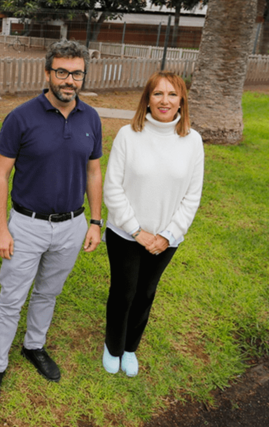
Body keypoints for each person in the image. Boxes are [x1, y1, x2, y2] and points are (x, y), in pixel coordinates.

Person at [0, 40, 103, 411]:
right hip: (27, 225)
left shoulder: (91, 118)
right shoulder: (21, 118)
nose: (69, 80)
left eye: (76, 73)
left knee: (48, 293)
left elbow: (94, 172)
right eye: (61, 72)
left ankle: (34, 346)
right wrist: (2, 228)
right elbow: (1, 176)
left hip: (72, 225)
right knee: (10, 299)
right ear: (47, 73)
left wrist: (95, 221)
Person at [101, 70, 204, 377]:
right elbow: (112, 188)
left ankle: (130, 348)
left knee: (146, 293)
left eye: (172, 94)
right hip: (125, 234)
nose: (164, 100)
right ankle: (113, 347)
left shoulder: (193, 141)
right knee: (124, 293)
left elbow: (192, 196)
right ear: (147, 99)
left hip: (166, 239)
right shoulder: (128, 135)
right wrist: (137, 231)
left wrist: (168, 235)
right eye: (158, 93)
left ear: (181, 100)